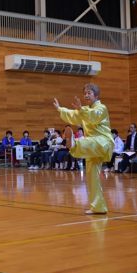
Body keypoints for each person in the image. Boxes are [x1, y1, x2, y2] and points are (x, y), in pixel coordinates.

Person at [54, 83, 113, 215]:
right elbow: (74, 115)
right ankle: (98, 207)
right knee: (92, 177)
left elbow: (93, 116)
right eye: (85, 93)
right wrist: (60, 109)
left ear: (96, 95)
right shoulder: (84, 109)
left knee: (88, 142)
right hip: (91, 148)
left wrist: (82, 110)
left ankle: (74, 144)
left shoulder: (101, 108)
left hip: (103, 142)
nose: (86, 95)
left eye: (89, 93)